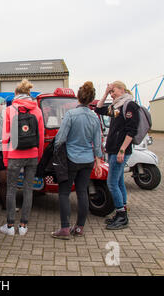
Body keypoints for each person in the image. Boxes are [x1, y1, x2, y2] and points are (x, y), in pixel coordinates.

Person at [51, 81, 103, 240]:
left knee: (64, 193)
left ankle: (65, 228)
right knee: (82, 192)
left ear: (78, 98)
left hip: (71, 159)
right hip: (87, 160)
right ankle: (79, 227)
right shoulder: (94, 117)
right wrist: (98, 161)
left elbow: (60, 138)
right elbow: (97, 141)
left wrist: (54, 153)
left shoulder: (70, 115)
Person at [0, 79, 44, 236]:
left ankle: (10, 226)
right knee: (28, 189)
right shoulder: (37, 110)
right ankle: (24, 225)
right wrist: (39, 155)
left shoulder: (10, 110)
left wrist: (5, 157)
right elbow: (41, 136)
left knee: (11, 189)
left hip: (14, 154)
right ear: (29, 94)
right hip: (32, 154)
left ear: (16, 93)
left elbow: (5, 136)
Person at [95, 81, 139, 230]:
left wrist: (122, 150)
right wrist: (105, 93)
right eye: (111, 92)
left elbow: (131, 131)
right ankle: (121, 211)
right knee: (119, 182)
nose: (112, 94)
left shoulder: (130, 105)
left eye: (113, 91)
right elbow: (99, 109)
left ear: (122, 90)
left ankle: (122, 216)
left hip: (120, 151)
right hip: (113, 150)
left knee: (112, 183)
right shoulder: (116, 107)